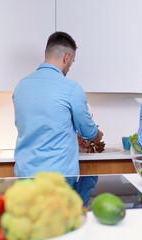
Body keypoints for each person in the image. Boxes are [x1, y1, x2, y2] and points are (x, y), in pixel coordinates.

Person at [13, 31, 103, 178]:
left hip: (25, 175)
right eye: (72, 62)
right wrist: (98, 135)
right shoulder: (72, 89)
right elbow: (88, 132)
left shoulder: (21, 86)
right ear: (67, 57)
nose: (69, 67)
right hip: (58, 179)